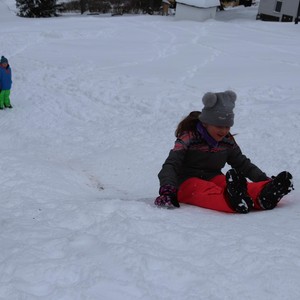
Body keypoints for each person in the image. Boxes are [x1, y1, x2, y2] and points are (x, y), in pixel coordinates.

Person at [155, 90, 294, 213]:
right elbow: (170, 164)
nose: (224, 131)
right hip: (185, 182)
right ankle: (231, 200)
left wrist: (264, 180)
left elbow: (242, 163)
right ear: (205, 123)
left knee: (227, 183)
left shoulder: (226, 141)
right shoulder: (188, 137)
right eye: (219, 126)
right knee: (203, 189)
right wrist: (167, 189)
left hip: (213, 176)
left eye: (227, 126)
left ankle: (264, 194)